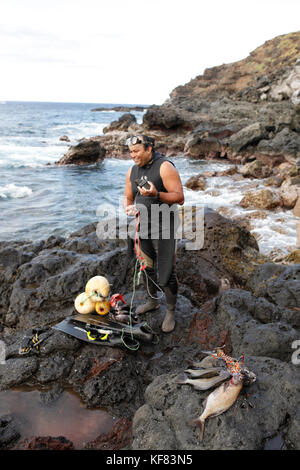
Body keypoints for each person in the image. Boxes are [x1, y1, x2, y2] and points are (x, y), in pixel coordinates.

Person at [123, 135, 184, 333]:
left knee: (166, 273)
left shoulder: (165, 166)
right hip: (144, 225)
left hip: (166, 225)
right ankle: (152, 302)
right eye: (131, 152)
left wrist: (156, 194)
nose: (133, 156)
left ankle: (171, 311)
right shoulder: (132, 171)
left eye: (137, 151)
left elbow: (180, 197)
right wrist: (129, 207)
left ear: (149, 149)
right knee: (146, 266)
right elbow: (128, 196)